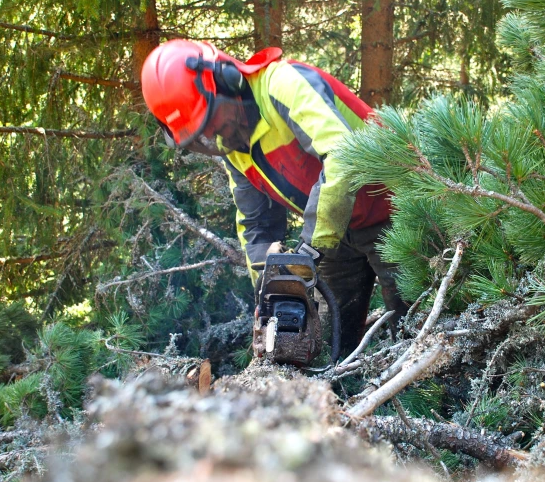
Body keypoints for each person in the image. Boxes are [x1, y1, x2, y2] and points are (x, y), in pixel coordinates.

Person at [141, 39, 408, 356]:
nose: (216, 135)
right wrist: (269, 288)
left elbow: (342, 157)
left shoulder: (283, 84)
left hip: (398, 211)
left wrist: (308, 252)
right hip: (338, 233)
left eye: (214, 119)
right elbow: (257, 224)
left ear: (228, 80)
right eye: (204, 133)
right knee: (323, 345)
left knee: (415, 332)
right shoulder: (235, 148)